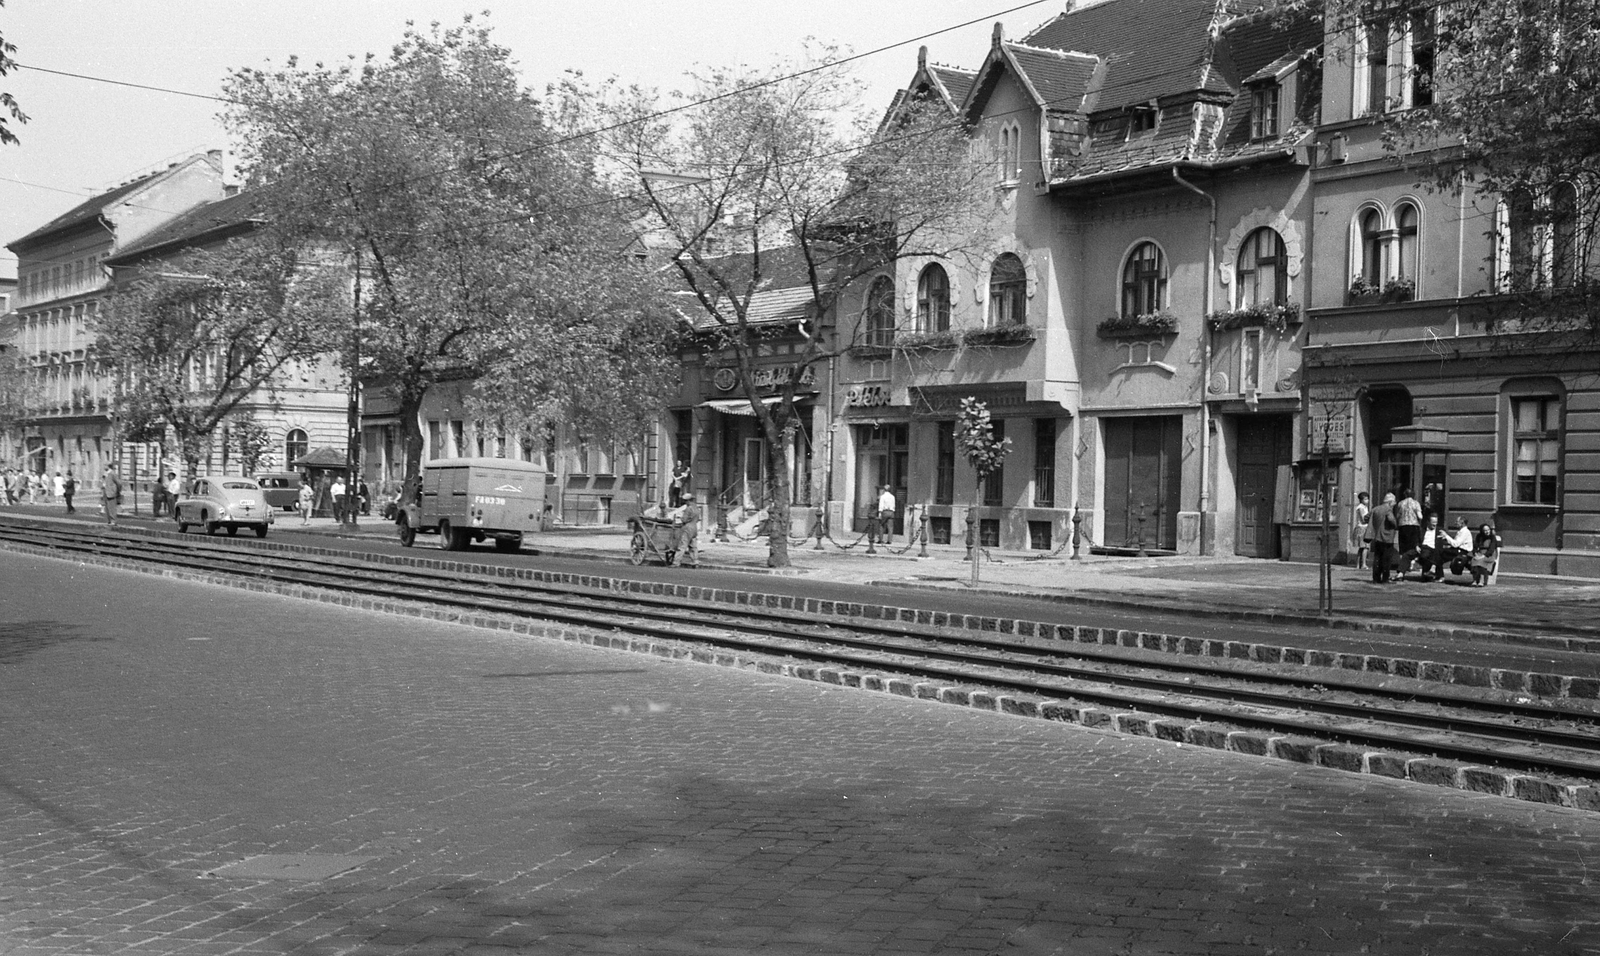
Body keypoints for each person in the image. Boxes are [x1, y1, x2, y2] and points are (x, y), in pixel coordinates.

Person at [1368, 492, 1398, 583]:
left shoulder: (1375, 509)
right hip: (1387, 537)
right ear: (1390, 502)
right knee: (1386, 559)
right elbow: (1391, 520)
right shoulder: (1388, 510)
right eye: (1394, 502)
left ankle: (1376, 578)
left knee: (1377, 558)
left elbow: (1366, 517)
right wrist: (1395, 525)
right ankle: (1385, 578)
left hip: (1377, 537)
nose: (1394, 504)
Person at [1394, 487, 1422, 574]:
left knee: (1403, 546)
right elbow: (1420, 516)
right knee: (1413, 546)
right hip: (1414, 526)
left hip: (1403, 526)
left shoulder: (1400, 503)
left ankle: (1403, 565)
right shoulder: (1416, 503)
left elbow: (1397, 516)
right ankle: (1411, 565)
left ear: (1405, 495)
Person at [676, 492, 702, 568]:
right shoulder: (696, 508)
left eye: (685, 501)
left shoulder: (688, 509)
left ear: (688, 501)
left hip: (687, 528)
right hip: (694, 528)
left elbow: (684, 520)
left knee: (682, 545)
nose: (685, 502)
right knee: (693, 546)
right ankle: (695, 561)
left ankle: (676, 562)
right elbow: (697, 519)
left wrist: (680, 518)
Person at [1470, 523, 1500, 587]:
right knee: (1474, 560)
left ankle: (1482, 580)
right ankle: (1475, 579)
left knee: (1481, 561)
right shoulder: (1479, 536)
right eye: (1485, 530)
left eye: (1488, 530)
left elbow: (1491, 549)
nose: (1487, 532)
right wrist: (1475, 553)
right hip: (1480, 552)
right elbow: (1475, 546)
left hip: (1489, 555)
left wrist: (1483, 556)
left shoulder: (1492, 537)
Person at [1350, 491, 1371, 570]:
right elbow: (1363, 519)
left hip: (1361, 527)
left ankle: (1358, 564)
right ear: (1361, 500)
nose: (1367, 500)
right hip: (1362, 528)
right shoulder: (1361, 507)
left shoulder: (1363, 507)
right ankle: (1363, 564)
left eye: (1367, 499)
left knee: (1361, 548)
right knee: (1365, 547)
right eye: (1365, 499)